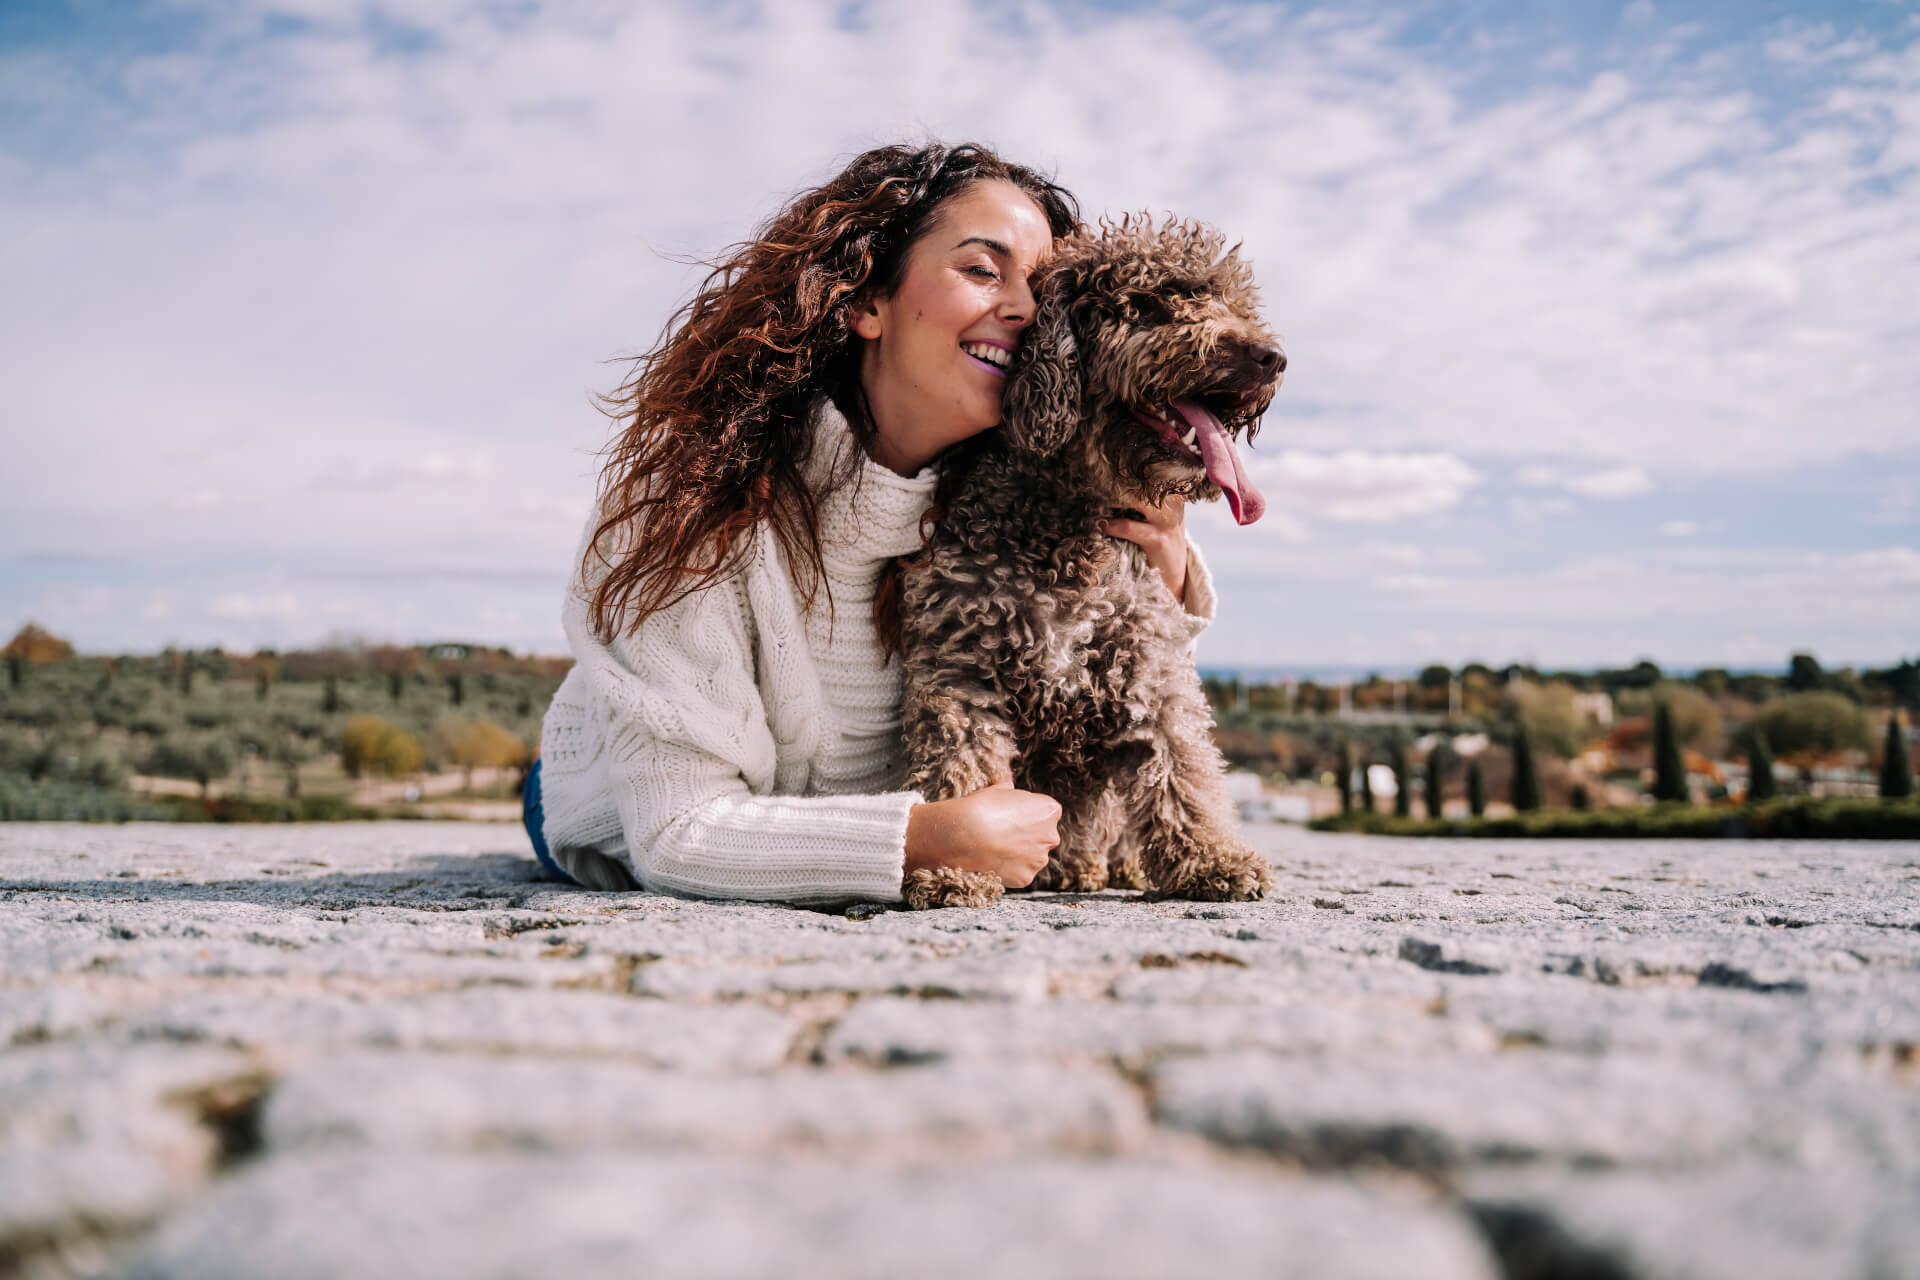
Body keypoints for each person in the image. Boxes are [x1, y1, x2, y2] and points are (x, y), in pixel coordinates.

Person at [524, 141, 1219, 903]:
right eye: (983, 270)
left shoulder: (1028, 489)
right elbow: (675, 832)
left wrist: (1173, 578)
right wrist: (925, 840)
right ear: (866, 302)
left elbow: (1097, 681)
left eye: (1045, 293)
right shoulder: (694, 490)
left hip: (831, 815)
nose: (1025, 310)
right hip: (623, 795)